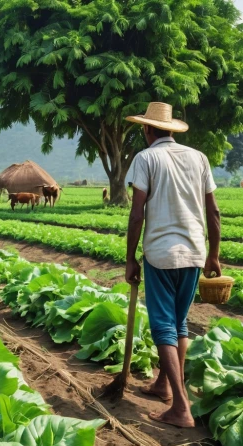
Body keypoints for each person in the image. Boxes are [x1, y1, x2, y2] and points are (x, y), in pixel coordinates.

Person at [125, 102, 221, 428]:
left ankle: (180, 407)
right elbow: (214, 212)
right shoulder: (199, 158)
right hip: (194, 252)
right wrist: (214, 255)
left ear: (147, 129)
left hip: (161, 254)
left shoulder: (145, 158)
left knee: (163, 326)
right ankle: (164, 385)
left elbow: (137, 214)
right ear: (172, 130)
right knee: (179, 325)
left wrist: (129, 259)